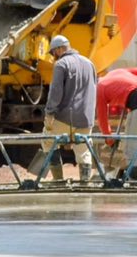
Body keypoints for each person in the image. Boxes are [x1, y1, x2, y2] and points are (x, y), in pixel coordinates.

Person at [37, 34, 98, 184]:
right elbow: (94, 89)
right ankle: (84, 182)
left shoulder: (62, 64)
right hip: (85, 118)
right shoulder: (89, 63)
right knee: (83, 148)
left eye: (53, 53)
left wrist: (49, 112)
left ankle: (58, 180)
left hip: (65, 117)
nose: (53, 57)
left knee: (48, 141)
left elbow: (56, 92)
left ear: (59, 49)